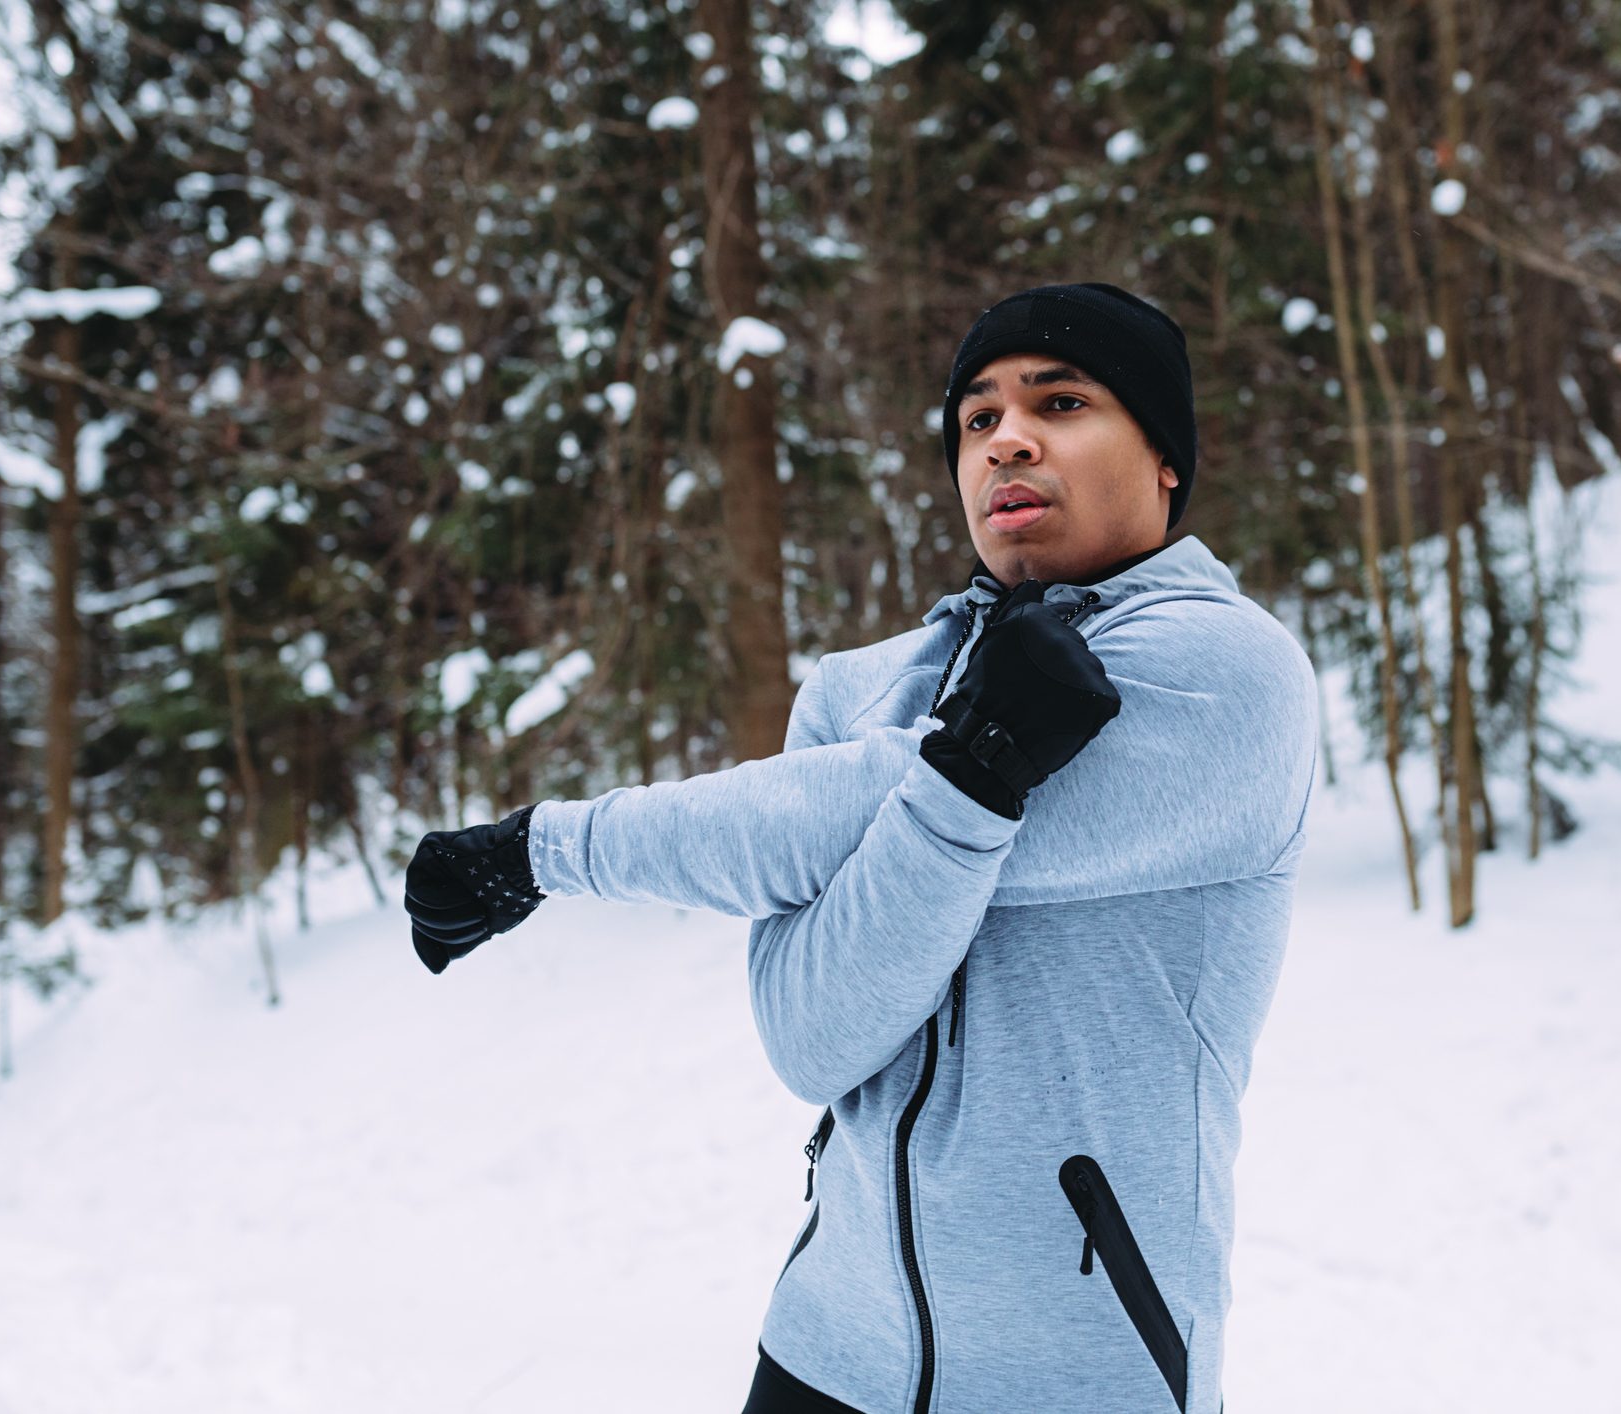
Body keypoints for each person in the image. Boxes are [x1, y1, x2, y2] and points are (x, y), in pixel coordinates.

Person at [402, 282, 1318, 1413]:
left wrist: (546, 848)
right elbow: (813, 1036)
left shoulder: (1228, 675)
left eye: (1063, 401)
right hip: (824, 1353)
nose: (1007, 440)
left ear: (1167, 458)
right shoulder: (858, 687)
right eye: (975, 420)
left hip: (1081, 1377)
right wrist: (976, 770)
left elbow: (836, 812)